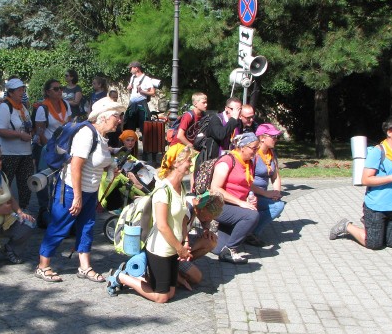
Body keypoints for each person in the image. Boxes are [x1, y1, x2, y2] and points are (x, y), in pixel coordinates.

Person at [104, 145, 217, 303]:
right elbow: (162, 225)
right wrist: (180, 249)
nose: (192, 165)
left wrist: (184, 242)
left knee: (171, 293)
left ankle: (145, 277)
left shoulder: (181, 187)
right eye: (189, 161)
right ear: (176, 163)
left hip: (174, 248)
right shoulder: (163, 190)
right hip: (161, 249)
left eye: (193, 161)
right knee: (162, 297)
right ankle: (121, 276)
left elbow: (182, 220)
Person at [35, 97, 126, 283]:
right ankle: (42, 266)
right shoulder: (86, 134)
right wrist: (77, 197)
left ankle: (85, 267)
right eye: (116, 116)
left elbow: (98, 159)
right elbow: (76, 166)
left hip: (89, 191)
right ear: (103, 117)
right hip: (71, 190)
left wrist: (111, 164)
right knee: (59, 226)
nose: (119, 120)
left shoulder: (101, 137)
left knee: (87, 227)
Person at [330, 117, 392, 250]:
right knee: (374, 244)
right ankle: (346, 226)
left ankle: (375, 228)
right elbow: (366, 180)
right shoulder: (378, 152)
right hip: (377, 206)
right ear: (390, 132)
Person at [209, 132, 261, 264]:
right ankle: (231, 250)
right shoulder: (227, 160)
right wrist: (240, 203)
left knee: (216, 249)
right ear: (242, 147)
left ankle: (219, 244)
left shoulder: (249, 162)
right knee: (252, 215)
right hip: (218, 205)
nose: (256, 151)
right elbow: (215, 189)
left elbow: (246, 185)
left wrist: (250, 198)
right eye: (253, 148)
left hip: (233, 206)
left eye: (257, 148)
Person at [33, 79, 72, 224]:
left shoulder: (65, 104)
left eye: (60, 88)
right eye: (56, 89)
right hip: (47, 148)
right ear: (48, 92)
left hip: (63, 148)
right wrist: (50, 149)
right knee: (44, 178)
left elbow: (69, 124)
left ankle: (57, 209)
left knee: (60, 180)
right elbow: (40, 131)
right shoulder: (43, 108)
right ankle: (44, 209)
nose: (60, 91)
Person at [0, 78, 33, 209]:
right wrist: (19, 135)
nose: (22, 92)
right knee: (5, 184)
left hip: (26, 152)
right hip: (9, 153)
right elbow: (0, 130)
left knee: (26, 184)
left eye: (23, 89)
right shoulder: (5, 108)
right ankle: (4, 210)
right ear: (10, 93)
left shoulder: (22, 107)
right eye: (18, 90)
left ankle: (23, 209)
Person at [248, 123, 285, 246]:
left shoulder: (271, 153)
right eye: (273, 136)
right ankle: (251, 233)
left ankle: (252, 230)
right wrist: (267, 194)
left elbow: (275, 176)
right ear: (262, 138)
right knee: (277, 207)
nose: (276, 139)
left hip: (263, 194)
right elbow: (246, 182)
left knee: (278, 204)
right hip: (250, 193)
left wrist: (276, 192)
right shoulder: (253, 155)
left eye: (276, 136)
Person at [123, 61, 155, 132]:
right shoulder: (132, 77)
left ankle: (145, 141)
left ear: (136, 68)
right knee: (128, 124)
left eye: (131, 68)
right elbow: (131, 88)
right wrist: (129, 87)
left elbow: (153, 92)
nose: (130, 70)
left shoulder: (146, 79)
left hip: (141, 103)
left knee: (145, 125)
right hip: (132, 103)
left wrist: (142, 91)